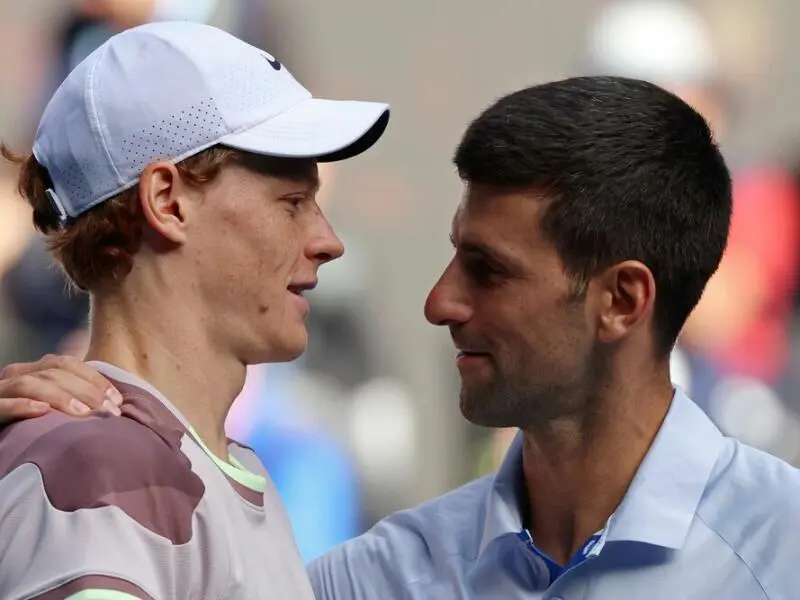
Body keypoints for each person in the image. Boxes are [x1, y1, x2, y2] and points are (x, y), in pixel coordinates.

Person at [2, 76, 799, 598]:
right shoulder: (378, 577)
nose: (439, 302)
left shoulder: (782, 549)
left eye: (488, 270)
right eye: (290, 201)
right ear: (163, 203)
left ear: (622, 301)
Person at [0, 20, 388, 600]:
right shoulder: (106, 467)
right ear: (167, 201)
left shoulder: (193, 464)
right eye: (292, 202)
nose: (328, 240)